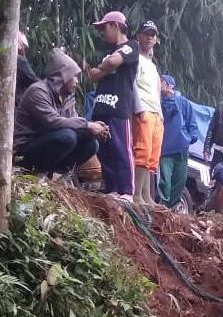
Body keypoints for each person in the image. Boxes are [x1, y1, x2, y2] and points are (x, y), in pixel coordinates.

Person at [14, 48, 108, 175]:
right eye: (74, 76)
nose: (77, 81)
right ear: (63, 75)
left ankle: (57, 173)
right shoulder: (37, 92)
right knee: (67, 136)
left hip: (48, 143)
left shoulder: (68, 98)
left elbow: (73, 122)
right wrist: (88, 125)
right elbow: (53, 122)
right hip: (25, 149)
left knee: (91, 144)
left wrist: (94, 130)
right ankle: (38, 172)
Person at [87, 11, 139, 201]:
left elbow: (113, 62)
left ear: (116, 26)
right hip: (101, 106)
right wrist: (106, 67)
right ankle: (111, 188)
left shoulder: (131, 46)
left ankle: (126, 191)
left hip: (118, 107)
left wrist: (104, 67)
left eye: (104, 27)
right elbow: (92, 75)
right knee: (105, 149)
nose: (102, 32)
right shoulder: (108, 52)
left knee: (121, 148)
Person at [132, 20, 163, 206]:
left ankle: (147, 196)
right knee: (142, 151)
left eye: (152, 35)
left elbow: (157, 91)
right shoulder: (135, 58)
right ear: (139, 36)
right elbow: (133, 85)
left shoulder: (152, 65)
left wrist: (160, 113)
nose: (150, 37)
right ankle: (137, 194)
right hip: (143, 109)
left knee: (153, 156)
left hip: (156, 112)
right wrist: (139, 108)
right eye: (146, 34)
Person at [158, 75, 199, 209]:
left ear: (171, 86)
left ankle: (172, 205)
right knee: (165, 179)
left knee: (180, 180)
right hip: (165, 147)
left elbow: (192, 124)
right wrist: (169, 100)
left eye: (162, 82)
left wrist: (190, 138)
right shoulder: (158, 101)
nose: (159, 84)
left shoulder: (183, 102)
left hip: (181, 146)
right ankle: (164, 204)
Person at [16, 31, 38, 105]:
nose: (24, 49)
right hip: (12, 101)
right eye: (24, 46)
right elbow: (31, 79)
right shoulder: (19, 60)